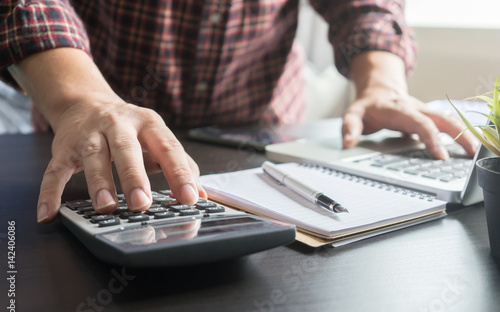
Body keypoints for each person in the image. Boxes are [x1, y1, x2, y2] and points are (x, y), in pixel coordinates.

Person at [0, 0, 478, 224]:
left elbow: (365, 6)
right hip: (88, 149)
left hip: (258, 142)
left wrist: (382, 85)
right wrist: (84, 101)